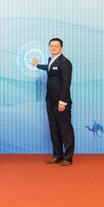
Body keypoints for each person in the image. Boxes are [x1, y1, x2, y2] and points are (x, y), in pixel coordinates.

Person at [32, 38, 74, 166]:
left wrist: (63, 101)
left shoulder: (65, 62)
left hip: (61, 102)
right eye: (51, 46)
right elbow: (49, 68)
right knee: (54, 129)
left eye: (56, 46)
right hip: (50, 101)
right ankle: (57, 155)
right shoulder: (52, 60)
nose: (53, 48)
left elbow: (66, 83)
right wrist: (37, 65)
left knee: (65, 129)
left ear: (61, 48)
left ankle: (68, 158)